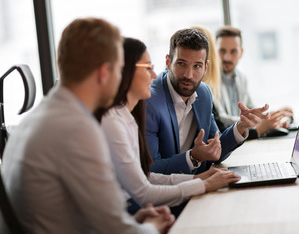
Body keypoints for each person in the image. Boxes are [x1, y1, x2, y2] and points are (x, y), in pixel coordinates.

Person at [1, 18, 174, 234]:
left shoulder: (41, 117)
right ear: (103, 73)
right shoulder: (77, 128)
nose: (121, 78)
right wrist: (151, 227)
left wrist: (136, 221)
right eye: (119, 70)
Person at [97, 37, 240, 216]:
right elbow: (143, 189)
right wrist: (202, 184)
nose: (155, 74)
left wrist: (196, 179)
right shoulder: (115, 121)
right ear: (124, 71)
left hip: (131, 210)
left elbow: (145, 178)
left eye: (197, 66)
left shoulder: (126, 118)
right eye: (148, 67)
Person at [145, 28, 270, 175]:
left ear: (205, 68)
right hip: (167, 193)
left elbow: (216, 149)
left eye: (197, 66)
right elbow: (151, 170)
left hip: (198, 187)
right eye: (181, 63)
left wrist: (241, 127)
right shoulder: (149, 102)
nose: (189, 75)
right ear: (168, 62)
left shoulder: (203, 93)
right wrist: (193, 157)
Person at [215, 25, 294, 139]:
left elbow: (252, 109)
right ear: (214, 52)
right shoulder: (209, 81)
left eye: (233, 51)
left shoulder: (241, 78)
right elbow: (221, 121)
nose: (227, 57)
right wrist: (260, 122)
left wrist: (273, 116)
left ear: (241, 53)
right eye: (222, 51)